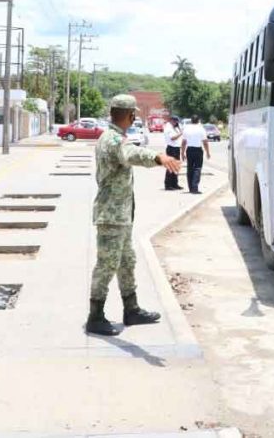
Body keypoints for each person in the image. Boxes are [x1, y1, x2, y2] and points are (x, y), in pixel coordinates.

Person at [86, 94, 182, 336]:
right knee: (106, 265)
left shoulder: (114, 137)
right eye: (134, 115)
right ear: (130, 116)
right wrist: (158, 157)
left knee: (127, 262)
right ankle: (95, 316)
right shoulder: (113, 139)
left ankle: (132, 310)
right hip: (111, 216)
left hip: (121, 215)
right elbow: (130, 154)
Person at [180, 115, 210, 194]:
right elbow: (205, 142)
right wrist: (207, 152)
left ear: (191, 120)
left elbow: (183, 142)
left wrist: (182, 153)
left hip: (189, 150)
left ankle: (190, 188)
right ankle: (195, 187)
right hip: (198, 150)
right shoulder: (201, 129)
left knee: (189, 169)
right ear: (198, 120)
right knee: (197, 168)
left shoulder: (187, 129)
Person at [162, 116, 183, 190]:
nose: (176, 123)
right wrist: (181, 133)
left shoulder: (175, 127)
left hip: (176, 148)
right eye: (175, 121)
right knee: (171, 166)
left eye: (177, 122)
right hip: (171, 148)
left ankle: (174, 183)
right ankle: (168, 184)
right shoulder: (168, 127)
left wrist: (179, 129)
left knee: (176, 166)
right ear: (171, 120)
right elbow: (172, 138)